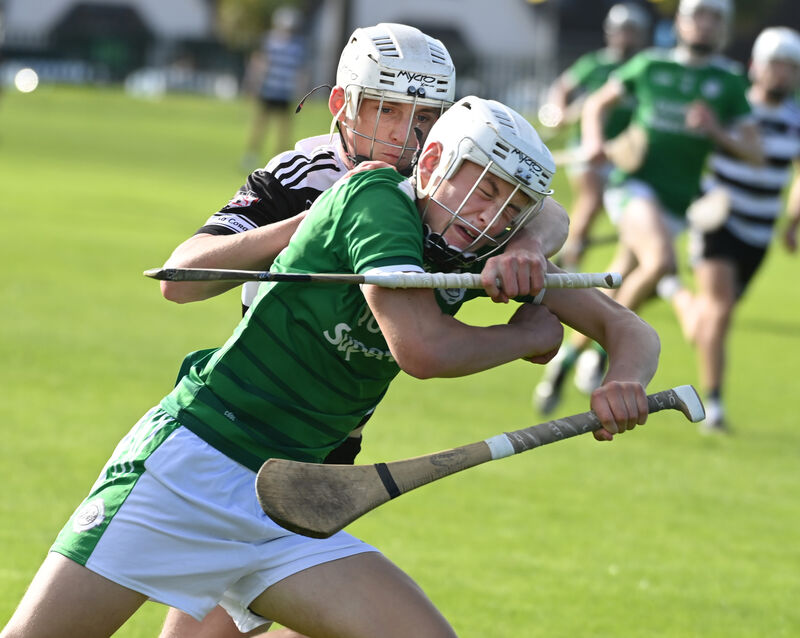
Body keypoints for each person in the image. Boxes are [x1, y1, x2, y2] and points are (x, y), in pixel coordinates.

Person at [0, 95, 660, 638]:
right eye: (482, 188)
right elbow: (421, 349)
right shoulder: (375, 199)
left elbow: (629, 330)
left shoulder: (477, 248)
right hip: (193, 465)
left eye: (510, 206)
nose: (488, 214)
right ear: (433, 162)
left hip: (290, 503)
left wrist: (625, 380)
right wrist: (525, 336)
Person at [157, 22, 568, 638]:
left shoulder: (447, 194)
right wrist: (320, 221)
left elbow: (550, 211)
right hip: (244, 435)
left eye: (426, 116)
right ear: (341, 105)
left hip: (328, 452)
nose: (405, 135)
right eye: (386, 110)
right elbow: (178, 278)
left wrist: (529, 243)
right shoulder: (306, 170)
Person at [534, 0, 761, 415]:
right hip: (632, 187)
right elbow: (598, 104)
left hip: (676, 203)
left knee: (620, 284)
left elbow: (754, 151)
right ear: (681, 23)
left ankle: (564, 364)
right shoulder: (652, 67)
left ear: (724, 28)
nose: (705, 26)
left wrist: (716, 131)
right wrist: (595, 140)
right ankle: (604, 353)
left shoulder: (728, 83)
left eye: (715, 19)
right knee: (659, 264)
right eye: (698, 17)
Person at [661, 26, 800, 432]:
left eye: (791, 67)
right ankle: (715, 404)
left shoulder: (795, 119)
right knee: (719, 312)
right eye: (776, 65)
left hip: (759, 233)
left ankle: (671, 289)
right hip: (718, 220)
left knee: (706, 324)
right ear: (757, 66)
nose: (783, 74)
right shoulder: (734, 106)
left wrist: (793, 221)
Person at [541, 2, 651, 270]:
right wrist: (559, 112)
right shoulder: (594, 64)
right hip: (587, 149)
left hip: (623, 153)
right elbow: (562, 87)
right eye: (621, 30)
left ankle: (574, 257)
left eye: (631, 31)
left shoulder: (644, 69)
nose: (625, 37)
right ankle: (569, 263)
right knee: (590, 202)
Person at [241, 6, 308, 170]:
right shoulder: (269, 41)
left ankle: (283, 161)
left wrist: (301, 91)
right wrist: (253, 84)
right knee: (259, 126)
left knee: (284, 130)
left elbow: (301, 70)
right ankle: (251, 156)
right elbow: (259, 63)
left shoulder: (298, 46)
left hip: (285, 92)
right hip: (268, 90)